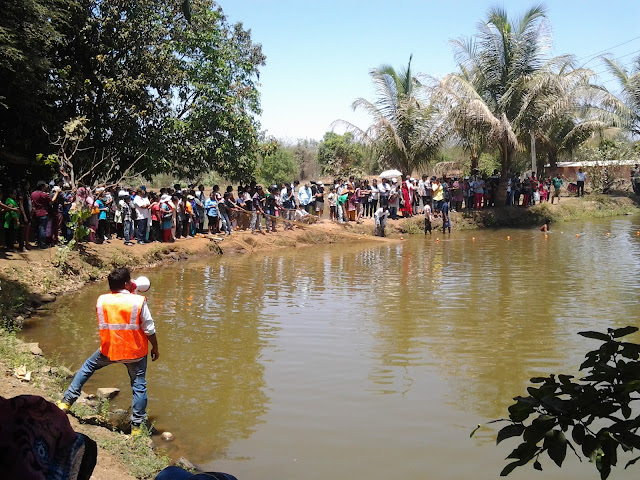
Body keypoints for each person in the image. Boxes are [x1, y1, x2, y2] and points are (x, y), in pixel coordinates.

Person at [57, 267, 160, 435]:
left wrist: (129, 291)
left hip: (109, 349)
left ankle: (66, 402)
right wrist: (155, 347)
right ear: (128, 284)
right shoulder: (138, 301)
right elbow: (149, 328)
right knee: (139, 386)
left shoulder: (101, 300)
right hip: (135, 352)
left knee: (87, 368)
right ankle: (136, 428)